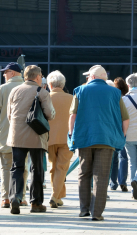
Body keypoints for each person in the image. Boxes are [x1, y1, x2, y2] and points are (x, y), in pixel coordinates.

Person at [68, 65, 128, 221]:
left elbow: (72, 116)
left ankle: (83, 210)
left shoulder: (80, 90)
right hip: (107, 140)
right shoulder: (115, 93)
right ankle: (97, 213)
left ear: (93, 77)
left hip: (84, 138)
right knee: (101, 177)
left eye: (88, 76)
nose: (87, 78)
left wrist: (71, 134)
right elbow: (125, 118)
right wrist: (121, 136)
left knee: (83, 174)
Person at [7, 65, 55, 215]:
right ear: (38, 77)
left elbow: (9, 114)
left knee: (17, 167)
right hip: (36, 134)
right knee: (37, 168)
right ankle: (36, 203)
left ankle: (15, 197)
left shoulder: (14, 90)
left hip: (17, 135)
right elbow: (49, 114)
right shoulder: (42, 92)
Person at [0, 62, 29, 208]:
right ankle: (20, 197)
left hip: (6, 135)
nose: (3, 74)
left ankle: (6, 198)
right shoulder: (30, 88)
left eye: (5, 72)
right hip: (26, 135)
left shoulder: (1, 89)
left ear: (13, 73)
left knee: (6, 167)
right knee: (23, 167)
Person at [46, 70, 73, 208]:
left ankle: (57, 196)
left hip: (49, 138)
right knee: (61, 167)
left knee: (53, 167)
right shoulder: (72, 98)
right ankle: (55, 196)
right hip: (67, 138)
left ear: (50, 84)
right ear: (63, 84)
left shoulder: (45, 97)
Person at [110, 77, 129, 192]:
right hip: (122, 130)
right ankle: (122, 181)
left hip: (112, 130)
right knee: (123, 156)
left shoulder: (113, 98)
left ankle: (113, 183)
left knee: (113, 158)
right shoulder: (126, 99)